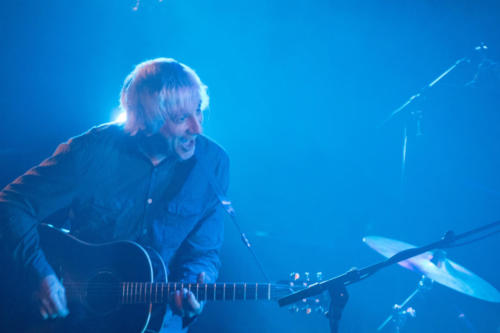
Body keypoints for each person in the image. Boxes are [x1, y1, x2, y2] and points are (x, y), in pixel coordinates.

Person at [0, 58, 229, 332]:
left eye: (199, 111)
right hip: (78, 319)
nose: (197, 127)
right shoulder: (90, 153)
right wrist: (42, 274)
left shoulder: (213, 163)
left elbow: (204, 252)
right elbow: (12, 203)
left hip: (158, 323)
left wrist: (194, 290)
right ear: (148, 120)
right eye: (182, 118)